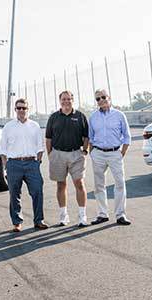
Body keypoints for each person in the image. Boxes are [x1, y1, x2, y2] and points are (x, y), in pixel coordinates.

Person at [0, 98, 48, 232]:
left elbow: (40, 147)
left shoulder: (35, 126)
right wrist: (6, 166)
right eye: (19, 108)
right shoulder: (8, 127)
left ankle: (39, 220)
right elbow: (3, 149)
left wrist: (37, 163)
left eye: (24, 108)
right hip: (14, 164)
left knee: (37, 191)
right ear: (15, 110)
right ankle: (17, 222)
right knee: (14, 194)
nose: (21, 110)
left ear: (28, 109)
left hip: (32, 163)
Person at [45, 90, 90, 227]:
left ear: (72, 100)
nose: (66, 101)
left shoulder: (80, 116)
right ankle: (63, 215)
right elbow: (48, 138)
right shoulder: (54, 117)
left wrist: (85, 150)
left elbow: (86, 136)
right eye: (63, 99)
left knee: (79, 183)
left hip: (76, 154)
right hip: (58, 154)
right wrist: (50, 154)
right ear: (60, 101)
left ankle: (82, 216)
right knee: (61, 185)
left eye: (68, 99)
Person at [88, 89, 132, 226]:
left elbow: (127, 136)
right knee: (99, 185)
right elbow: (90, 137)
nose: (101, 100)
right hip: (98, 153)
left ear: (109, 97)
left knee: (120, 183)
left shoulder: (119, 115)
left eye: (103, 97)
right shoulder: (93, 117)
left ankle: (120, 215)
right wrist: (92, 153)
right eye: (98, 99)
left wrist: (121, 153)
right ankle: (102, 214)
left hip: (115, 153)